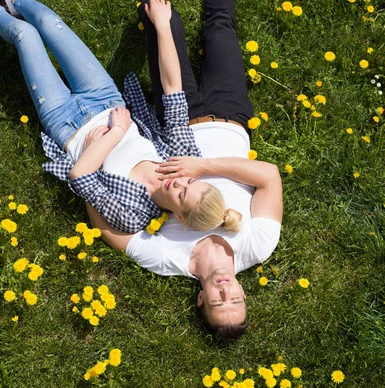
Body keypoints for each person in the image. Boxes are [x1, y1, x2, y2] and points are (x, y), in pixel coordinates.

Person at [87, 0, 283, 340]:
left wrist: (91, 177)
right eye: (235, 299)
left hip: (172, 114)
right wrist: (203, 166)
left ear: (200, 300)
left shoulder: (169, 260)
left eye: (218, 303)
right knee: (221, 26)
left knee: (158, 18)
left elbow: (110, 230)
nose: (225, 292)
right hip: (230, 114)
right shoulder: (257, 245)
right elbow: (269, 176)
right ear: (244, 293)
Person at [0, 0, 238, 234]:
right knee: (47, 21)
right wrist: (162, 25)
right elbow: (173, 93)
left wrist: (116, 133)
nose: (177, 183)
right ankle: (15, 3)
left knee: (25, 35)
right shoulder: (182, 160)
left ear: (180, 218)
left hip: (65, 125)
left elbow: (80, 176)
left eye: (181, 196)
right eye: (190, 182)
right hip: (103, 97)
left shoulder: (133, 216)